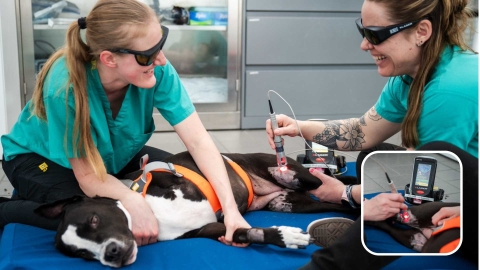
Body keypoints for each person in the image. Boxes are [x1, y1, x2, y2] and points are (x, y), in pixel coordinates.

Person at [0, 0, 250, 247]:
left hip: (109, 155)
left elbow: (197, 140)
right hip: (38, 159)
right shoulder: (64, 89)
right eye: (148, 55)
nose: (161, 60)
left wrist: (230, 211)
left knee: (185, 177)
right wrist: (133, 202)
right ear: (109, 59)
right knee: (93, 217)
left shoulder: (156, 70)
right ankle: (6, 211)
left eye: (161, 44)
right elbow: (88, 175)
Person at [266, 0, 477, 268]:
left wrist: (347, 194)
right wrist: (298, 126)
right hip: (462, 184)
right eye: (362, 31)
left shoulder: (448, 90)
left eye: (375, 34)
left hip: (463, 194)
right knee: (373, 155)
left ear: (422, 32)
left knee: (386, 213)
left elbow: (427, 189)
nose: (365, 45)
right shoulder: (410, 75)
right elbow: (362, 132)